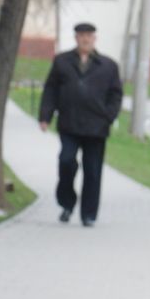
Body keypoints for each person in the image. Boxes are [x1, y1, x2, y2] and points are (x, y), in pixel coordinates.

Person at [38, 22, 123, 227]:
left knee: (93, 171)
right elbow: (51, 89)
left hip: (96, 127)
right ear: (76, 38)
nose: (85, 39)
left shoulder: (108, 65)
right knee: (66, 161)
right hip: (70, 123)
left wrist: (108, 116)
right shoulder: (62, 61)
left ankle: (89, 214)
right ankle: (67, 203)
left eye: (89, 35)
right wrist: (45, 116)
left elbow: (116, 94)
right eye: (81, 35)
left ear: (95, 38)